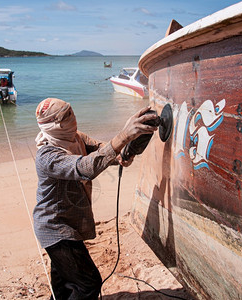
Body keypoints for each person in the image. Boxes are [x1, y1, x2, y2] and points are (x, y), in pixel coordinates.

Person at [33, 98, 157, 299]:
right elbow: (86, 168)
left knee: (64, 284)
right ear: (54, 124)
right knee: (88, 284)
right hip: (55, 227)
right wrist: (124, 135)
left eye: (71, 111)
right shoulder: (47, 156)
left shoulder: (76, 138)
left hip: (71, 222)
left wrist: (129, 147)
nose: (72, 118)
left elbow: (103, 152)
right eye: (66, 116)